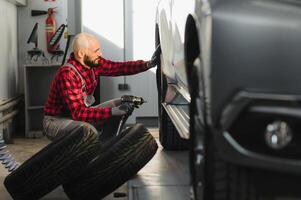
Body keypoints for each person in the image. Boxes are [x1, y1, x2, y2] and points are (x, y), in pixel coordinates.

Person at [43, 32, 160, 141]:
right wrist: (111, 112)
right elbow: (78, 113)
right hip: (56, 121)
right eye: (96, 51)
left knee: (121, 103)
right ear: (81, 54)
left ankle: (107, 147)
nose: (100, 54)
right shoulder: (68, 74)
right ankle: (93, 157)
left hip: (76, 117)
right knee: (88, 131)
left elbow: (119, 67)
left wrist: (147, 64)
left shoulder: (93, 64)